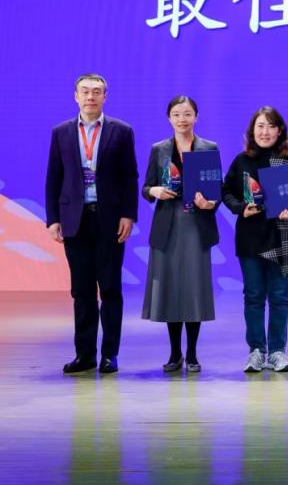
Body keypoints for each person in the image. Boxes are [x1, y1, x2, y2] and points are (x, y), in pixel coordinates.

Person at [45, 73, 138, 375]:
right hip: (75, 220)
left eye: (96, 92)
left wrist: (128, 214)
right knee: (82, 291)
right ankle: (84, 355)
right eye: (85, 91)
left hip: (109, 219)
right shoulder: (61, 132)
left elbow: (130, 177)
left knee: (110, 288)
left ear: (105, 97)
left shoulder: (121, 131)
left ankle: (110, 355)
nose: (90, 97)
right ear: (76, 96)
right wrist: (53, 219)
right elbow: (54, 177)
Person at [223, 106, 288, 373]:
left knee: (280, 298)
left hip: (282, 239)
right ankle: (256, 351)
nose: (265, 132)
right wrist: (240, 208)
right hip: (250, 239)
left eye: (271, 126)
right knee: (253, 297)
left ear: (280, 131)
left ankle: (278, 351)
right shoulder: (241, 161)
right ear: (252, 131)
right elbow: (226, 192)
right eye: (260, 126)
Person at [140, 95, 218, 373]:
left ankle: (193, 353)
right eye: (176, 114)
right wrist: (154, 191)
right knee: (171, 289)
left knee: (194, 289)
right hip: (168, 225)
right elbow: (146, 187)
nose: (182, 119)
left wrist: (210, 203)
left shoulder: (209, 148)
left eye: (187, 114)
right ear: (169, 118)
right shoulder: (159, 149)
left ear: (196, 117)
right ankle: (175, 353)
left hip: (197, 225)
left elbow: (217, 189)